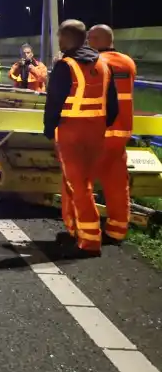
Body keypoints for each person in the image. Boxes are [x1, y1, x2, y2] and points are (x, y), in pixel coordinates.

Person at [43, 19, 119, 258]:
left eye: (60, 37)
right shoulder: (104, 65)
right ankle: (74, 228)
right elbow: (113, 105)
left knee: (79, 185)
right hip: (96, 133)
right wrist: (98, 125)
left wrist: (49, 128)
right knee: (75, 181)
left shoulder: (66, 66)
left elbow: (54, 102)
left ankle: (90, 240)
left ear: (66, 38)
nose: (59, 41)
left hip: (71, 133)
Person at [87, 24, 136, 245]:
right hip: (120, 134)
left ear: (94, 40)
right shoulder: (128, 63)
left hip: (96, 133)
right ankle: (117, 230)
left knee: (81, 182)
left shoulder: (94, 64)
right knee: (117, 183)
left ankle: (84, 230)